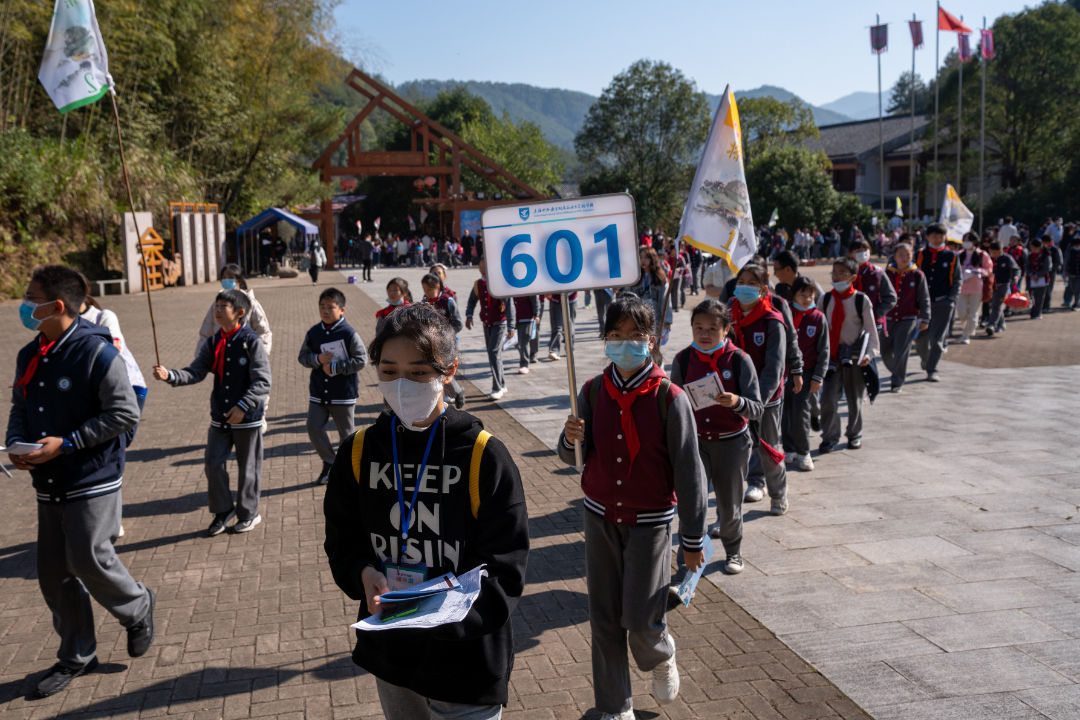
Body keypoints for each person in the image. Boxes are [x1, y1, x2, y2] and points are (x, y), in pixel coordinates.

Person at [324, 304, 528, 720]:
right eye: (388, 371)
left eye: (418, 373)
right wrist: (363, 573)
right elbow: (342, 538)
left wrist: (441, 615)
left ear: (448, 371)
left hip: (465, 661)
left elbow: (506, 568)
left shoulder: (482, 455)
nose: (402, 385)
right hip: (394, 655)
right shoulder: (360, 450)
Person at [7, 265, 154, 698]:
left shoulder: (97, 352)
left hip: (92, 476)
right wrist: (16, 442)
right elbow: (20, 403)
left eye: (31, 297)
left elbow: (124, 414)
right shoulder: (31, 352)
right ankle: (78, 654)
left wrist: (67, 443)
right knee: (52, 573)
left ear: (56, 305)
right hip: (49, 479)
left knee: (90, 559)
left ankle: (139, 606)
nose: (24, 304)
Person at [559, 294, 707, 720]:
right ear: (604, 339)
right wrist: (570, 438)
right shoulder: (589, 390)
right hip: (599, 517)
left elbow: (690, 475)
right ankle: (615, 706)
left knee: (642, 618)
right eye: (616, 336)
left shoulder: (669, 397)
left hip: (650, 524)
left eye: (636, 336)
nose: (625, 344)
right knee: (604, 619)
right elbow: (570, 456)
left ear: (653, 340)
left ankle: (660, 653)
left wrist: (693, 540)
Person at [153, 288, 271, 536]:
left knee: (248, 467)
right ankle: (223, 510)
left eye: (223, 307)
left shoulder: (252, 342)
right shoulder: (214, 341)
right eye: (216, 306)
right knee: (213, 463)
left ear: (240, 313)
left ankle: (249, 514)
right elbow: (196, 371)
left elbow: (262, 382)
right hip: (220, 416)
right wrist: (170, 375)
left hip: (246, 418)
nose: (217, 311)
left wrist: (243, 407)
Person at [670, 299, 761, 574]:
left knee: (729, 504)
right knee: (692, 505)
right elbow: (673, 402)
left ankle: (733, 552)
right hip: (695, 444)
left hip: (732, 443)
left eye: (712, 328)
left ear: (726, 330)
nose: (704, 334)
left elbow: (757, 409)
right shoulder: (683, 359)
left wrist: (736, 402)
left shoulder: (739, 360)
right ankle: (686, 565)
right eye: (698, 327)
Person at [727, 264, 793, 514]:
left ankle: (778, 494)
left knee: (769, 446)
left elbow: (774, 368)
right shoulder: (728, 317)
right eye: (740, 281)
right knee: (745, 446)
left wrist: (758, 401)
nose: (744, 286)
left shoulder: (772, 321)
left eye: (751, 283)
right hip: (737, 397)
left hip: (766, 398)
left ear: (764, 289)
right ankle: (756, 482)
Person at [299, 287, 368, 485]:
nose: (325, 311)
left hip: (343, 393)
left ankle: (348, 471)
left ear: (342, 310)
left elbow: (361, 360)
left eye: (331, 307)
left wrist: (337, 367)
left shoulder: (348, 333)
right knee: (313, 428)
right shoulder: (313, 332)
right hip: (319, 392)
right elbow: (302, 357)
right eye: (322, 307)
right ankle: (330, 462)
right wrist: (317, 359)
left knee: (346, 435)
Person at [818, 258, 879, 452]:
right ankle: (829, 436)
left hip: (854, 358)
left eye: (841, 273)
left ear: (852, 277)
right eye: (834, 272)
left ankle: (854, 433)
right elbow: (818, 328)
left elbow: (870, 330)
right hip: (831, 359)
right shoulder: (825, 299)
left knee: (855, 399)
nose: (836, 276)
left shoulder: (861, 300)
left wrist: (869, 354)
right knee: (828, 399)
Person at [782, 277, 828, 471]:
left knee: (801, 412)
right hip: (785, 372)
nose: (807, 298)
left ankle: (804, 452)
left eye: (810, 295)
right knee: (785, 412)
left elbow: (824, 350)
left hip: (807, 373)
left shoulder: (818, 318)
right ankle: (789, 449)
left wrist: (818, 376)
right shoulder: (785, 315)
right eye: (802, 294)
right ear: (794, 295)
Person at [914, 224, 961, 382]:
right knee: (920, 339)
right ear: (927, 237)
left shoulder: (952, 256)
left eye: (940, 236)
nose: (937, 239)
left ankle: (932, 369)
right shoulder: (919, 254)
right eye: (934, 236)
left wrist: (952, 299)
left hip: (943, 303)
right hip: (922, 304)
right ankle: (926, 360)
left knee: (937, 338)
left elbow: (957, 279)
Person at [881, 242, 930, 392]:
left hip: (908, 318)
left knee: (901, 350)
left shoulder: (917, 274)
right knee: (884, 350)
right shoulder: (887, 273)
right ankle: (897, 370)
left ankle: (897, 381)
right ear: (894, 256)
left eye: (908, 255)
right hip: (888, 318)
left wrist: (925, 317)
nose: (904, 258)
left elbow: (924, 297)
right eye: (900, 255)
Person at [465, 257, 516, 400]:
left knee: (493, 352)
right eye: (480, 266)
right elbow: (471, 301)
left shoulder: (499, 283)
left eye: (485, 266)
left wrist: (511, 326)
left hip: (500, 322)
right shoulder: (478, 284)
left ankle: (497, 387)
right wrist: (469, 315)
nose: (482, 269)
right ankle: (502, 384)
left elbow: (510, 305)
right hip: (486, 322)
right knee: (494, 354)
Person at [200, 264, 273, 356]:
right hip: (223, 358)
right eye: (224, 278)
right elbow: (206, 333)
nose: (226, 281)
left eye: (230, 278)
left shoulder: (250, 303)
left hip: (246, 358)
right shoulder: (216, 305)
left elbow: (263, 332)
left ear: (239, 280)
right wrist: (202, 357)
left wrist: (260, 356)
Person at [419, 273, 466, 409]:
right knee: (437, 370)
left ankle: (456, 392)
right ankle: (453, 392)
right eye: (424, 290)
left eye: (429, 289)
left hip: (447, 343)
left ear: (437, 287)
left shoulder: (448, 301)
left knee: (442, 370)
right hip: (431, 343)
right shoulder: (425, 301)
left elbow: (458, 323)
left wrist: (445, 335)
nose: (426, 293)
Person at [626, 247, 673, 365]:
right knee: (640, 345)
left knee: (654, 347)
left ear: (652, 259)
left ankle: (657, 369)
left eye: (646, 257)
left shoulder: (660, 278)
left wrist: (667, 320)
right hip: (638, 317)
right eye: (640, 257)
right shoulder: (634, 277)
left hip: (655, 318)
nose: (643, 260)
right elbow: (627, 296)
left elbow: (665, 300)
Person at [848, 237, 897, 345]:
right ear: (850, 254)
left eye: (864, 250)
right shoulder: (846, 273)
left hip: (873, 323)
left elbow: (891, 297)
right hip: (850, 323)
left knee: (868, 355)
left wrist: (876, 313)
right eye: (857, 251)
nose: (862, 254)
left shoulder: (877, 273)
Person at [954, 232, 993, 343]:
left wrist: (976, 271)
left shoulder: (982, 255)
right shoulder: (959, 254)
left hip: (976, 288)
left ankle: (967, 335)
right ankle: (967, 327)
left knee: (973, 313)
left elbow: (989, 270)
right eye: (964, 240)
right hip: (961, 287)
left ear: (974, 241)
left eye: (968, 240)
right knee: (961, 312)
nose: (966, 243)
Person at [985, 241, 1022, 335]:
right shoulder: (988, 258)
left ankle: (991, 325)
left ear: (1001, 250)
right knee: (995, 305)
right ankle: (1001, 324)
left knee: (996, 305)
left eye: (997, 252)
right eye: (993, 252)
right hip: (992, 285)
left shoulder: (1007, 258)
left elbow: (1016, 269)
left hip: (1004, 285)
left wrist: (1016, 276)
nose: (995, 254)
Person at [512, 294, 541, 373]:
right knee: (515, 342)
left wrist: (536, 314)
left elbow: (535, 298)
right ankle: (525, 356)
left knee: (523, 342)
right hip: (514, 318)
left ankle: (524, 364)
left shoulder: (527, 285)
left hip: (526, 317)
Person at [545, 291, 577, 361]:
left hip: (571, 299)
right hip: (556, 299)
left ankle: (570, 349)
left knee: (569, 326)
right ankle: (554, 351)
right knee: (557, 327)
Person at [1026, 238, 1053, 320]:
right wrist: (1031, 274)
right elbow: (1027, 266)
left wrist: (1037, 275)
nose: (1031, 248)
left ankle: (1038, 313)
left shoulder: (1046, 255)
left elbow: (1047, 268)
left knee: (1039, 297)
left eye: (1032, 246)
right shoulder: (1030, 255)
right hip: (1031, 279)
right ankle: (1032, 311)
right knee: (1030, 296)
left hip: (1042, 280)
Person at [1063, 231, 1080, 311]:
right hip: (1071, 272)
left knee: (1077, 289)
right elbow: (1066, 261)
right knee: (1072, 287)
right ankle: (1077, 302)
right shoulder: (1070, 250)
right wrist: (1065, 271)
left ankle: (1076, 304)